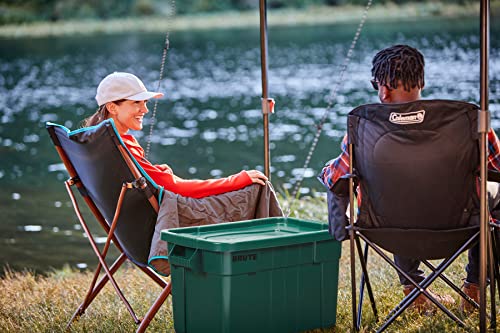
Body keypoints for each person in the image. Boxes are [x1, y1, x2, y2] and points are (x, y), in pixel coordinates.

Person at [318, 44, 500, 312]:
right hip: (462, 229)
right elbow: (497, 165)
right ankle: (474, 287)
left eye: (381, 84)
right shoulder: (466, 120)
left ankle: (414, 291)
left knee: (395, 194)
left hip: (391, 233)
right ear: (421, 81)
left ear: (384, 88)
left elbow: (335, 178)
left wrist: (330, 185)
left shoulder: (365, 126)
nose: (381, 93)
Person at [84, 72, 283, 275]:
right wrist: (236, 180)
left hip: (128, 232)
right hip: (162, 230)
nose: (145, 109)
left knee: (251, 188)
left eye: (145, 102)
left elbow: (156, 182)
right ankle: (275, 264)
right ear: (112, 107)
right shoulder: (121, 145)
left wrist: (158, 173)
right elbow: (176, 188)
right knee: (256, 188)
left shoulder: (97, 143)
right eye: (137, 103)